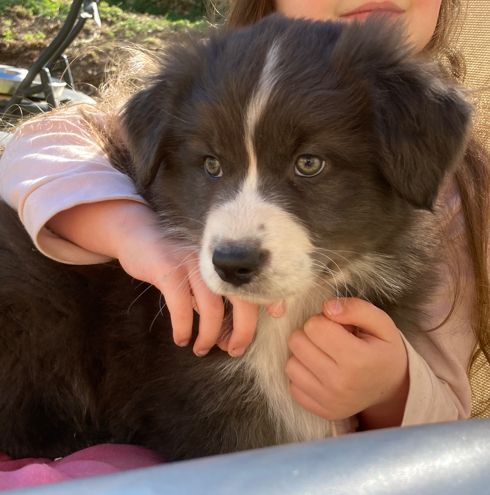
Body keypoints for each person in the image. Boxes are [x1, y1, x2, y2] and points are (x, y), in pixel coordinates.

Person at [0, 0, 489, 484]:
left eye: (309, 164)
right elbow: (42, 146)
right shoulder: (204, 81)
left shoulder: (457, 203)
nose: (239, 233)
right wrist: (132, 234)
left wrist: (390, 388)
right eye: (212, 165)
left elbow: (450, 431)